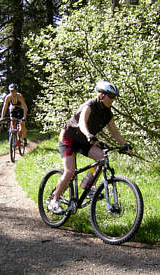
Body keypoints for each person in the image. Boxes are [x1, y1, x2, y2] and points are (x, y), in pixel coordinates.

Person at [48, 80, 132, 214]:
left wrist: (125, 145)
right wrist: (88, 134)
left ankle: (88, 186)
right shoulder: (89, 106)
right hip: (69, 138)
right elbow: (82, 123)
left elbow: (115, 132)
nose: (113, 99)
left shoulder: (108, 114)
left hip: (84, 140)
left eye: (114, 97)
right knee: (70, 171)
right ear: (101, 95)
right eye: (110, 96)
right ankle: (54, 201)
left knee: (102, 159)